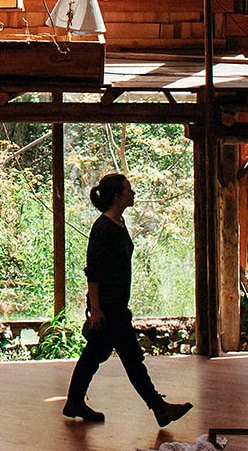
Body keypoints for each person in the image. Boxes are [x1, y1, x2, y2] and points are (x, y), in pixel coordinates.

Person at [62, 172, 192, 427]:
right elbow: (93, 272)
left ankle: (74, 402)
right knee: (131, 358)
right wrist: (96, 309)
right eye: (128, 189)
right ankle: (159, 408)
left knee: (94, 355)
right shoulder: (102, 228)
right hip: (109, 307)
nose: (133, 193)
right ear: (117, 196)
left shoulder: (119, 223)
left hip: (116, 303)